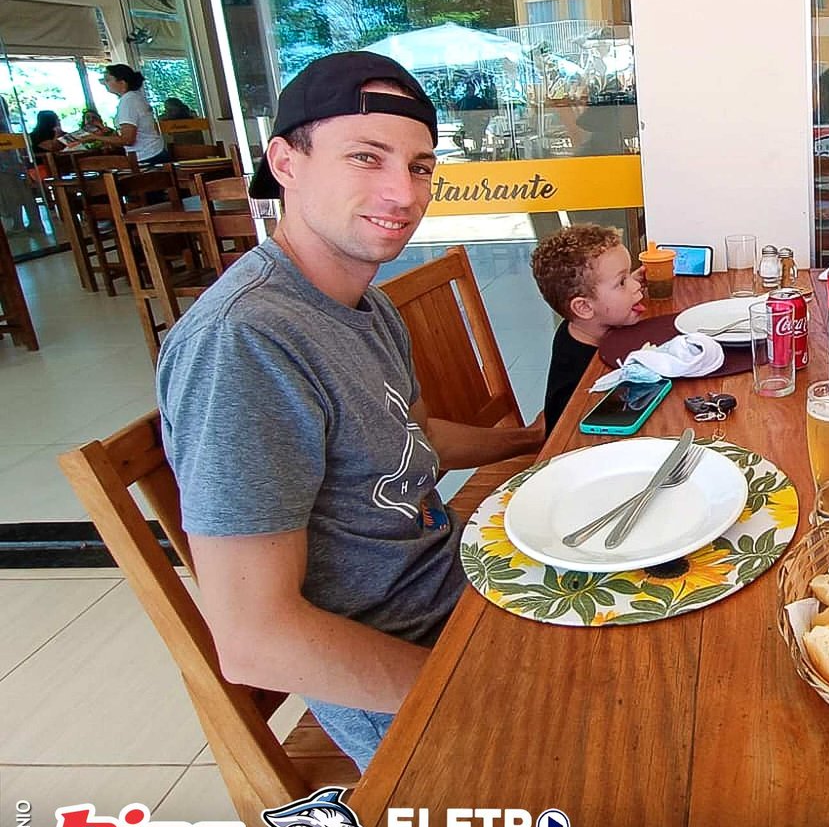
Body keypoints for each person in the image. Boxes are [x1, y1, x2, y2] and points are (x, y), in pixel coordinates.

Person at [155, 51, 544, 769]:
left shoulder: (366, 303)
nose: (403, 192)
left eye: (420, 167)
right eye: (366, 157)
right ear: (286, 162)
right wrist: (470, 690)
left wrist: (530, 442)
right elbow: (255, 639)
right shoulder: (245, 342)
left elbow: (414, 438)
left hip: (468, 592)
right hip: (412, 679)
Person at [530, 223, 646, 428]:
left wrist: (624, 294)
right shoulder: (582, 381)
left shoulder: (581, 326)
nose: (636, 285)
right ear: (584, 307)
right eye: (621, 282)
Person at [101, 64, 168, 165]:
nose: (104, 83)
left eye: (108, 80)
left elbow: (128, 140)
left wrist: (94, 137)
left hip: (147, 156)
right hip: (153, 152)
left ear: (122, 82)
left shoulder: (128, 101)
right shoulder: (135, 97)